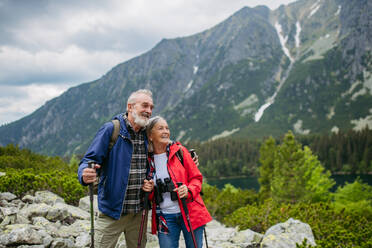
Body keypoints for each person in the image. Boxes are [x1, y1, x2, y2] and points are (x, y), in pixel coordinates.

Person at [77, 89, 155, 248]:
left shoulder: (148, 133)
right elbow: (89, 160)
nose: (149, 111)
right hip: (112, 211)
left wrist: (187, 155)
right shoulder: (112, 129)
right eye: (145, 105)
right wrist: (84, 173)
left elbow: (167, 145)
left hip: (139, 212)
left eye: (151, 107)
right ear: (130, 107)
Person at [146, 116, 212, 248]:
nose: (165, 131)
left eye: (167, 128)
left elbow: (196, 178)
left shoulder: (180, 152)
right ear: (150, 135)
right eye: (160, 128)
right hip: (164, 216)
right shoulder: (147, 160)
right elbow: (149, 197)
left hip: (190, 212)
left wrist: (188, 190)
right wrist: (149, 189)